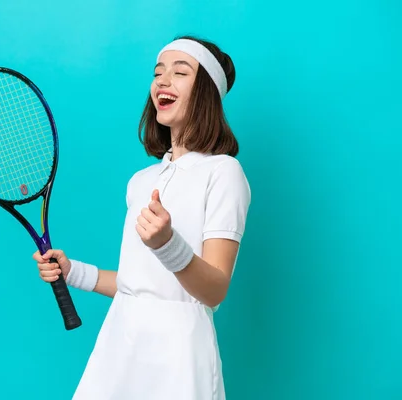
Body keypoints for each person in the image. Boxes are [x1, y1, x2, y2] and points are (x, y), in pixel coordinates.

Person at [32, 35, 251, 400]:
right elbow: (139, 285)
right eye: (158, 72)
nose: (162, 81)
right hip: (120, 341)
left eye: (180, 72)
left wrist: (168, 245)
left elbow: (214, 290)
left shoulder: (224, 173)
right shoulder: (141, 182)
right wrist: (74, 273)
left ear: (206, 93)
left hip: (179, 355)